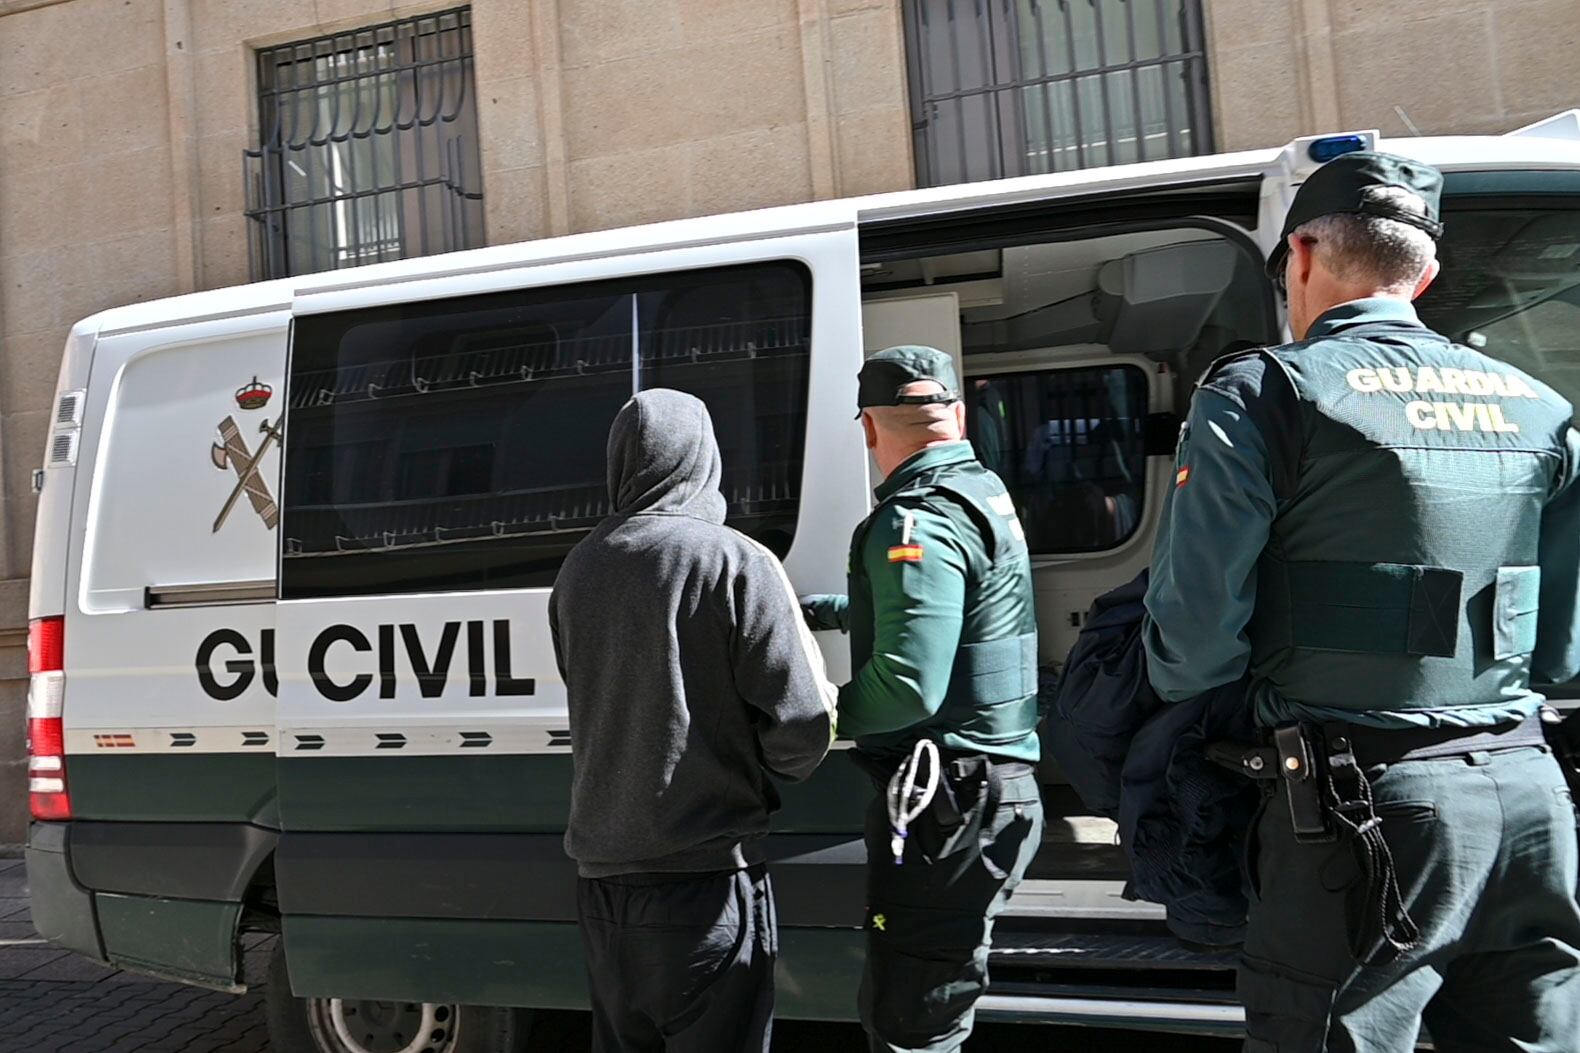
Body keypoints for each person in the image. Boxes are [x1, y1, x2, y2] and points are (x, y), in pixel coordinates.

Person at [1143, 151, 1580, 1051]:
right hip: (1530, 798)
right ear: (1425, 272)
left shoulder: (1265, 392)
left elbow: (1191, 649)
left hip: (1359, 812)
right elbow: (1563, 650)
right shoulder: (1543, 407)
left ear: (1300, 254)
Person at [549, 388, 836, 1053]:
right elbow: (805, 720)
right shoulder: (736, 561)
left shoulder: (579, 568)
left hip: (602, 888)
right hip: (705, 883)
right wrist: (757, 765)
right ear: (703, 459)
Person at [801, 346, 1042, 1053]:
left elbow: (906, 686)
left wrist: (806, 716)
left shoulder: (916, 518)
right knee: (933, 996)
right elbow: (950, 612)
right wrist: (840, 610)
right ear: (958, 416)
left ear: (870, 430)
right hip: (992, 786)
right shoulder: (981, 492)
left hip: (948, 800)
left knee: (913, 1017)